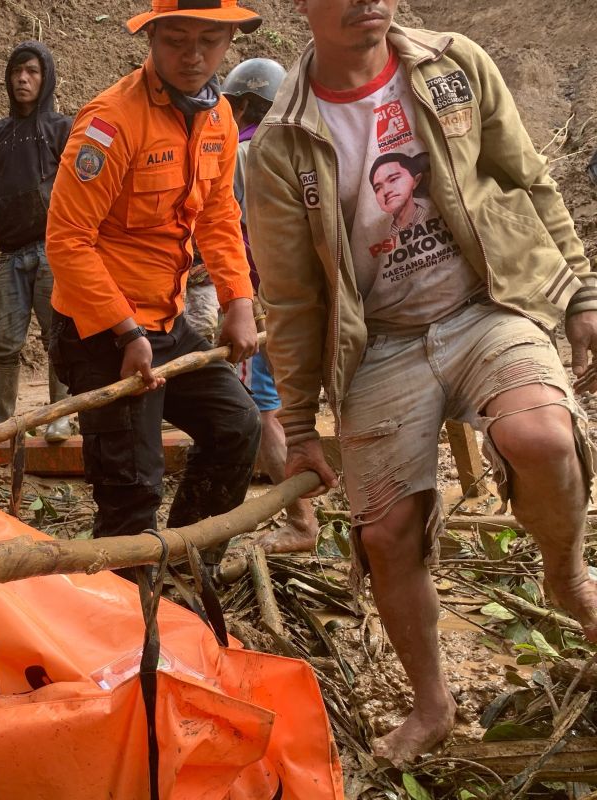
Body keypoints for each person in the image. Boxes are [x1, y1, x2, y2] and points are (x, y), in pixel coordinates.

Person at [247, 0, 597, 766]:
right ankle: (431, 704)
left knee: (540, 434)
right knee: (386, 532)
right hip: (381, 347)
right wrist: (300, 425)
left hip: (485, 305)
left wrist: (580, 293)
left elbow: (527, 178)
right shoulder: (280, 144)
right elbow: (293, 296)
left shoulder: (452, 66)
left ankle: (568, 575)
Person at [46, 0, 264, 563]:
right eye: (177, 40)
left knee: (237, 424)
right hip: (101, 330)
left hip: (168, 323)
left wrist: (239, 299)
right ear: (152, 38)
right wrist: (123, 331)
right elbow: (68, 240)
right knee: (133, 486)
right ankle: (124, 617)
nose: (193, 56)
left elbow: (218, 219)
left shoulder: (219, 118)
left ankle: (190, 567)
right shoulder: (110, 122)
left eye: (209, 41)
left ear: (229, 42)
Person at [220, 56, 320, 553]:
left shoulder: (241, 151)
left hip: (268, 300)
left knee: (265, 411)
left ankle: (301, 522)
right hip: (316, 299)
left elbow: (228, 228)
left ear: (241, 106)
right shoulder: (308, 146)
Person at [0, 42, 73, 441]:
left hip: (53, 249)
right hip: (10, 255)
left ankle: (60, 416)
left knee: (59, 337)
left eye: (32, 71)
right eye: (17, 71)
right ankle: (1, 420)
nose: (22, 79)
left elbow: (80, 188)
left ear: (45, 77)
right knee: (3, 340)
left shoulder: (61, 128)